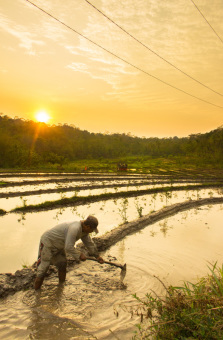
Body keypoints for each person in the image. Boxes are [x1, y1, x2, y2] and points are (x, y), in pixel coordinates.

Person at [34, 215, 104, 290]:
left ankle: (61, 287)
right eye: (92, 230)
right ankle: (37, 294)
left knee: (62, 264)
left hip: (59, 246)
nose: (91, 232)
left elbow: (89, 243)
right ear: (87, 226)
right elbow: (68, 247)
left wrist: (97, 256)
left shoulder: (84, 231)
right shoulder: (75, 228)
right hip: (48, 244)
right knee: (43, 269)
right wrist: (79, 255)